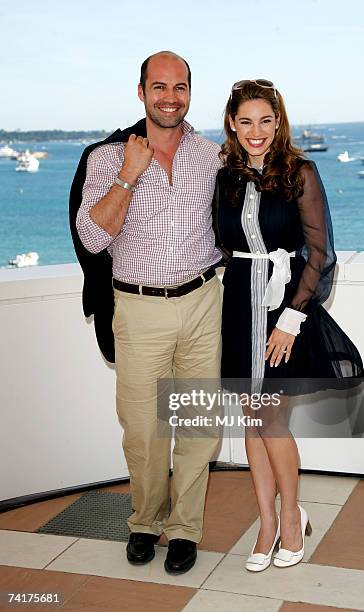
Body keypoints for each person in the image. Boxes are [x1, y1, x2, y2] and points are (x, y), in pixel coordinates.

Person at [75, 51, 223, 575]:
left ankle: (185, 528)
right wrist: (128, 177)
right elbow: (92, 237)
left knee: (199, 424)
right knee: (144, 429)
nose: (170, 97)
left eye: (179, 87)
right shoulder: (107, 158)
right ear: (140, 92)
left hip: (205, 300)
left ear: (190, 93)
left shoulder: (211, 156)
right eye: (159, 87)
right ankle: (145, 520)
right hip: (139, 307)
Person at [212, 79, 364, 571]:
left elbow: (320, 254)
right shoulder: (226, 178)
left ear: (278, 123)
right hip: (238, 303)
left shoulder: (301, 172)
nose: (256, 131)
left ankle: (293, 519)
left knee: (269, 419)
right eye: (245, 121)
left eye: (265, 120)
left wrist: (293, 318)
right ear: (233, 126)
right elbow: (221, 242)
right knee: (250, 421)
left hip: (284, 308)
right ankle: (267, 522)